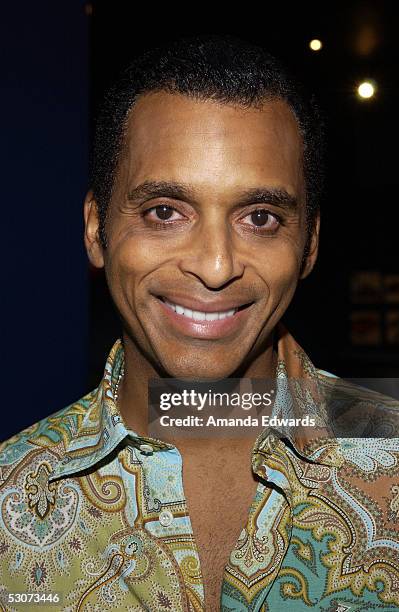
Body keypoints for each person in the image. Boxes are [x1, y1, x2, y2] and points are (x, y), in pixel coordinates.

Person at [0, 35, 398, 612]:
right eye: (165, 212)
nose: (215, 266)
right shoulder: (10, 501)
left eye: (260, 217)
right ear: (95, 229)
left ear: (310, 244)